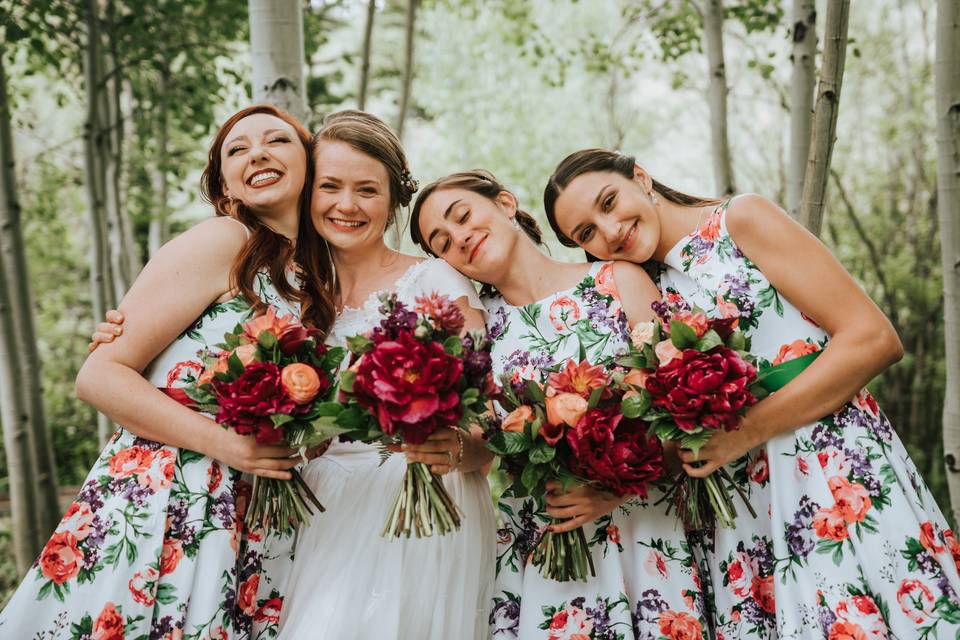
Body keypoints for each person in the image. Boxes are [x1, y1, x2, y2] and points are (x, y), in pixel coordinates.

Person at [542, 148, 960, 638]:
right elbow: (683, 437)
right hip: (740, 513)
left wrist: (745, 432)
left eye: (609, 202)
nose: (609, 231)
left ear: (640, 177)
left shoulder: (740, 220)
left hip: (828, 466)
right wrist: (610, 485)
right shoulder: (643, 298)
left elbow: (873, 339)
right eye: (586, 233)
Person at [0, 104, 336, 639]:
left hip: (261, 514)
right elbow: (100, 376)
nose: (258, 153)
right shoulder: (224, 241)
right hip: (171, 493)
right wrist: (228, 446)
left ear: (311, 167)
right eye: (237, 149)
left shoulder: (324, 278)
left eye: (278, 141)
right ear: (226, 189)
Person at [411, 169, 710, 640]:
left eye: (463, 216)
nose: (460, 238)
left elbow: (687, 417)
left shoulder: (619, 281)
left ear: (506, 204)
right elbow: (482, 447)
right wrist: (435, 440)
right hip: (542, 543)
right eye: (442, 242)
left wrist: (615, 487)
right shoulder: (477, 332)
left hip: (643, 528)